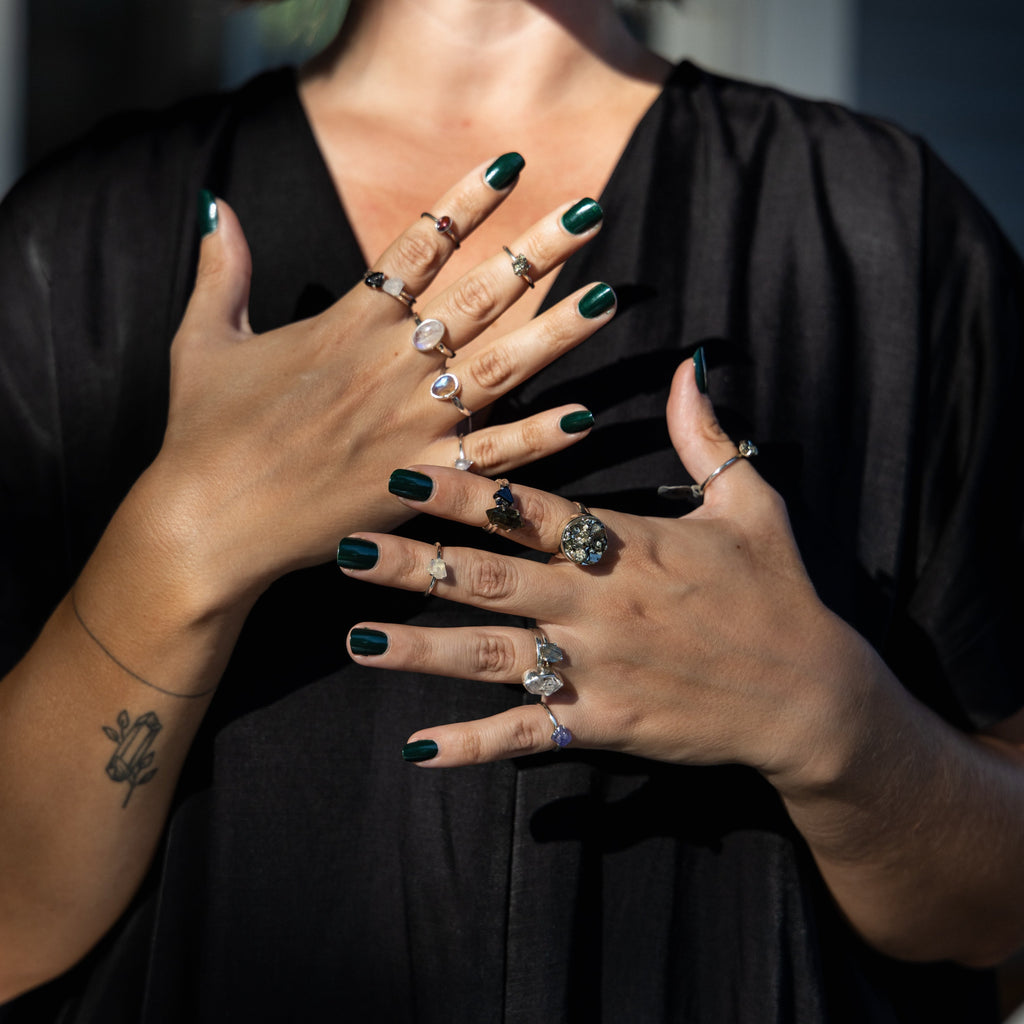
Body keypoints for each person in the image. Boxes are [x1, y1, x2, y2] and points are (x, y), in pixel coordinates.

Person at [0, 0, 1022, 1020]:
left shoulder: (886, 228)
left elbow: (994, 916)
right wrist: (180, 545)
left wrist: (834, 726)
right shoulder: (77, 246)